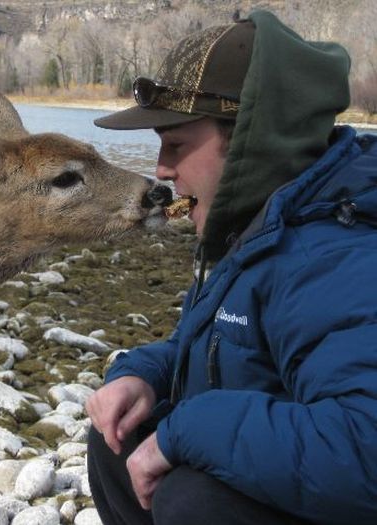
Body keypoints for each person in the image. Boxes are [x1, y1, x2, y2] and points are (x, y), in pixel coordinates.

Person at [86, 10, 377, 525]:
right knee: (119, 436)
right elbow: (222, 346)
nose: (160, 169)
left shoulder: (333, 254)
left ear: (250, 142)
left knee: (193, 497)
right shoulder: (256, 225)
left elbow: (365, 451)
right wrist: (145, 375)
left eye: (176, 144)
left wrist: (186, 431)